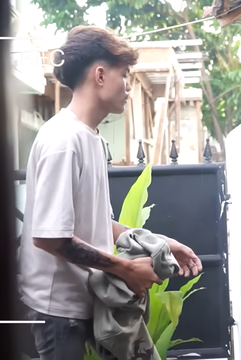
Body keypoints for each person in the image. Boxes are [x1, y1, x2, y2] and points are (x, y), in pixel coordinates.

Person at [18, 25, 202, 360]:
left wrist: (161, 243)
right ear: (100, 75)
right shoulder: (64, 141)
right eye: (124, 74)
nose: (128, 86)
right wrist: (126, 268)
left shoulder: (90, 138)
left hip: (86, 305)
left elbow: (96, 222)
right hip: (59, 311)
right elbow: (48, 237)